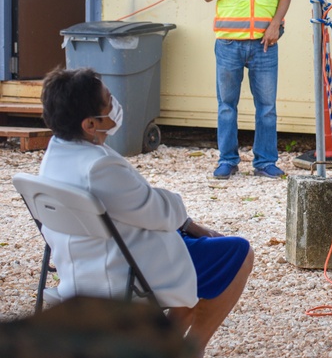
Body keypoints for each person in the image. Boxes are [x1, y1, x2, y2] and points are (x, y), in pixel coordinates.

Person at [38, 67, 254, 358]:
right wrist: (182, 215)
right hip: (126, 269)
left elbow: (144, 211)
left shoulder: (56, 154)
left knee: (202, 253)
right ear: (90, 124)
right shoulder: (98, 168)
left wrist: (187, 224)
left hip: (87, 260)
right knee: (238, 254)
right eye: (108, 100)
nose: (115, 105)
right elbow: (160, 213)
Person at [202, 0, 293, 179]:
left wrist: (275, 25)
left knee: (266, 108)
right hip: (229, 43)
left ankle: (265, 161)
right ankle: (227, 160)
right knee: (226, 106)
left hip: (264, 43)